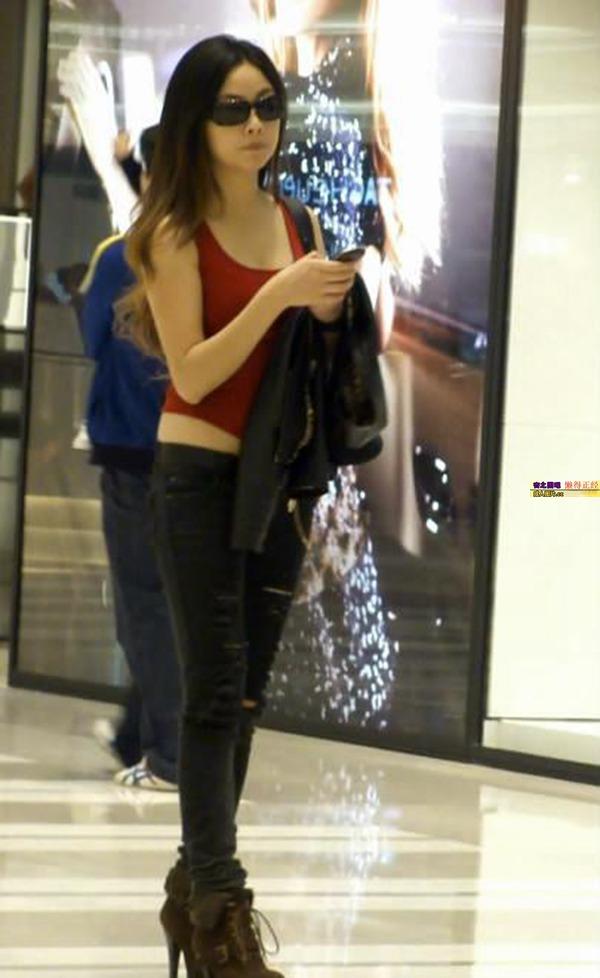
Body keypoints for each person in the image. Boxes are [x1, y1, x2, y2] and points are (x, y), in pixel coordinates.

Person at [122, 34, 359, 978]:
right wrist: (279, 294)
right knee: (214, 691)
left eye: (267, 105)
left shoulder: (296, 219)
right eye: (233, 108)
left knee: (246, 697)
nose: (256, 124)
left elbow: (301, 358)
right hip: (196, 478)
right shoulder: (173, 229)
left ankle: (193, 890)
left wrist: (327, 308)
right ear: (197, 120)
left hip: (279, 479)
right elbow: (193, 372)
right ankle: (220, 911)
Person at [81, 125, 180, 791]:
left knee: (141, 605)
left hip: (131, 448)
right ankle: (136, 735)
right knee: (171, 604)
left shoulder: (122, 256)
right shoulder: (213, 248)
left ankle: (168, 753)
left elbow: (93, 340)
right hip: (197, 452)